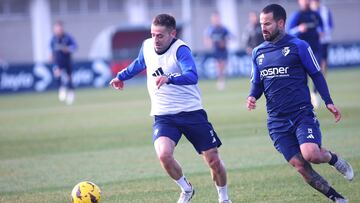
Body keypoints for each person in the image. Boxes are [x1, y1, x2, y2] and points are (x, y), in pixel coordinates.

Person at [110, 14, 231, 203]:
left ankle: (223, 198)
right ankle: (186, 189)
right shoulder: (147, 45)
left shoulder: (180, 50)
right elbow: (140, 63)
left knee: (213, 160)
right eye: (153, 34)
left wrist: (170, 78)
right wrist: (121, 76)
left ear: (172, 34)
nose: (155, 39)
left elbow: (192, 76)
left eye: (160, 35)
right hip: (164, 115)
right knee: (164, 155)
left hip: (191, 112)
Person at [247, 4, 353, 203]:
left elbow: (316, 74)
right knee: (301, 166)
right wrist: (252, 96)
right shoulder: (258, 53)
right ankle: (338, 199)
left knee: (311, 154)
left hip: (301, 114)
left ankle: (334, 159)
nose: (263, 28)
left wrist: (328, 101)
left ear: (281, 23)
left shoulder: (299, 46)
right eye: (262, 24)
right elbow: (257, 83)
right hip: (276, 122)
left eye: (268, 23)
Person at [287, 0, 324, 108]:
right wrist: (299, 29)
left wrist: (321, 32)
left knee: (318, 72)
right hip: (302, 50)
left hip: (316, 48)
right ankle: (305, 98)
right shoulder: (297, 15)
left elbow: (321, 27)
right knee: (303, 76)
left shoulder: (315, 15)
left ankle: (315, 93)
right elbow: (288, 32)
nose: (306, 1)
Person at [50, 20, 77, 105]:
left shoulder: (67, 37)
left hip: (67, 60)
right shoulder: (53, 39)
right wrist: (50, 55)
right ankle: (61, 88)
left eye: (59, 29)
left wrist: (68, 49)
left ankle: (71, 93)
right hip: (58, 60)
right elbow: (51, 48)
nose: (58, 30)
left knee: (69, 77)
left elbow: (75, 46)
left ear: (62, 29)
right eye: (56, 29)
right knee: (57, 73)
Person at [204, 12, 230, 90]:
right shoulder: (210, 29)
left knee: (223, 65)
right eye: (214, 18)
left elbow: (229, 37)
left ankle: (221, 79)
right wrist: (209, 43)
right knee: (218, 65)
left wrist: (224, 42)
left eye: (217, 18)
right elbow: (207, 38)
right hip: (216, 49)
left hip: (223, 49)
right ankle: (220, 80)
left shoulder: (223, 28)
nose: (216, 20)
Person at [310, 0, 334, 75]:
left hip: (324, 40)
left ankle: (322, 78)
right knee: (314, 61)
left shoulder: (326, 11)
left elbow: (330, 25)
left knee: (324, 61)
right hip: (313, 40)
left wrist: (323, 32)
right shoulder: (309, 11)